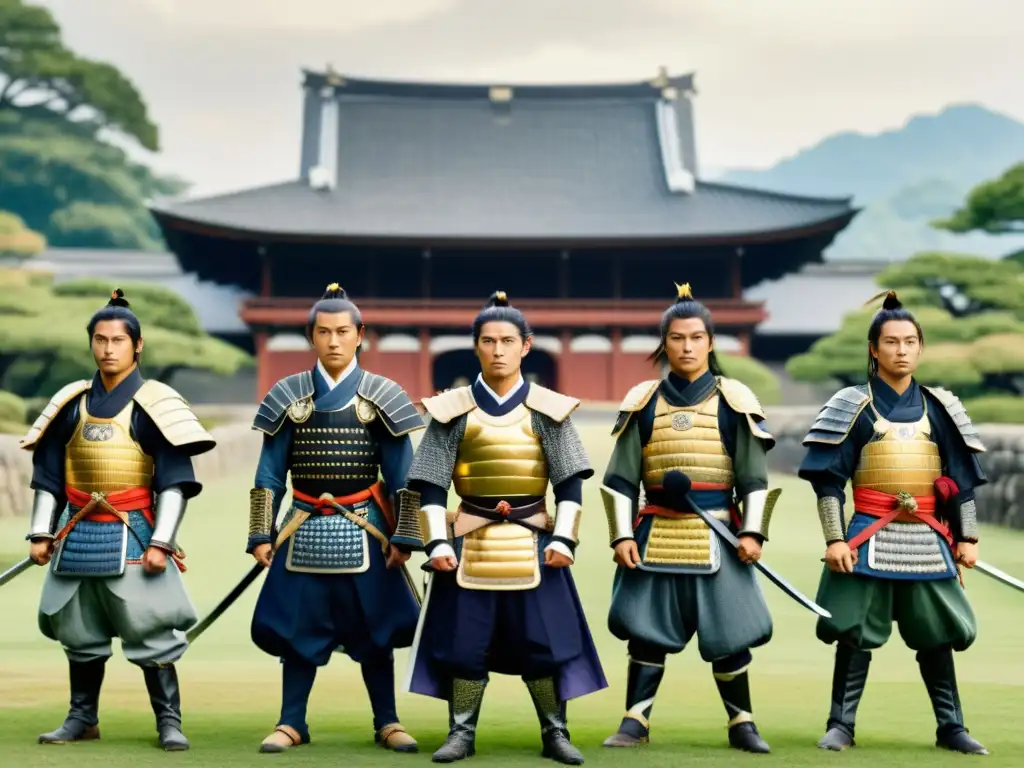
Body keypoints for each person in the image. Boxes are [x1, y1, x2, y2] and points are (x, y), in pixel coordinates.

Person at [400, 291, 606, 765]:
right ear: (475, 346)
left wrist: (564, 539)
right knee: (463, 645)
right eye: (488, 341)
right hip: (467, 541)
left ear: (526, 346)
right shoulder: (450, 411)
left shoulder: (548, 409)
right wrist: (434, 543)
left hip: (535, 541)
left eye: (507, 341)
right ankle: (461, 733)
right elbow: (429, 487)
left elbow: (570, 485)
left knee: (543, 643)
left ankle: (555, 731)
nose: (497, 350)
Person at [21, 288, 215, 751]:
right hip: (77, 533)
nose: (108, 349)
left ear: (137, 345)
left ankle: (169, 721)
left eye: (117, 341)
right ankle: (82, 717)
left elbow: (174, 482)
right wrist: (41, 532)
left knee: (150, 632)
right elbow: (48, 477)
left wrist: (162, 543)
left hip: (134, 532)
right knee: (79, 632)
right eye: (100, 340)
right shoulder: (70, 402)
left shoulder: (155, 403)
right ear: (91, 343)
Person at [798, 290, 988, 755]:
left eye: (910, 341)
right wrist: (835, 538)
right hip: (866, 536)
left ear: (920, 347)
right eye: (892, 342)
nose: (901, 350)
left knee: (938, 632)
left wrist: (969, 537)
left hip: (928, 537)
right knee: (854, 631)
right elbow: (828, 480)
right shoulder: (852, 405)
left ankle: (951, 727)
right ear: (873, 349)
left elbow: (960, 480)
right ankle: (841, 724)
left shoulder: (940, 407)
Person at [247, 283, 425, 754]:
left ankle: (387, 721)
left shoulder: (383, 395)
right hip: (303, 523)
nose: (333, 341)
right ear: (310, 335)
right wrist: (260, 533)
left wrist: (404, 534)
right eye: (323, 332)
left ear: (360, 334)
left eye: (343, 331)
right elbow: (269, 474)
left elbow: (404, 477)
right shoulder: (287, 395)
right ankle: (291, 721)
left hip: (367, 526)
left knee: (376, 629)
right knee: (297, 628)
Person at [599, 282, 776, 753]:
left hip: (719, 533)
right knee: (645, 630)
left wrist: (753, 531)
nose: (687, 346)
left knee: (730, 633)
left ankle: (742, 723)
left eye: (697, 337)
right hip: (655, 532)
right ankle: (635, 721)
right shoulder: (642, 401)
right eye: (677, 338)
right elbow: (619, 480)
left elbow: (754, 478)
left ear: (711, 342)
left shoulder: (735, 399)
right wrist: (621, 537)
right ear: (664, 343)